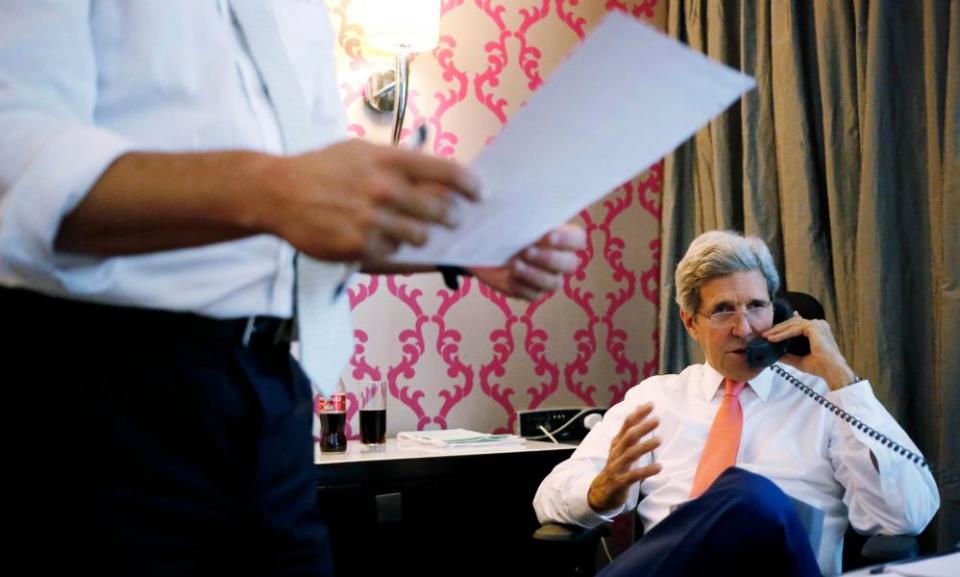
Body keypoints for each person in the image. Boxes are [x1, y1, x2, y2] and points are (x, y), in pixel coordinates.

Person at [0, 2, 585, 576]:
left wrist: (465, 243)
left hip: (273, 395)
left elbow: (307, 219)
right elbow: (17, 161)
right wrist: (274, 187)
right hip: (94, 392)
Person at [533, 230, 940, 576]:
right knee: (738, 494)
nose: (744, 329)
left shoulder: (828, 400)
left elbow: (908, 516)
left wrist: (840, 377)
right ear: (691, 322)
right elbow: (548, 497)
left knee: (749, 494)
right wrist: (598, 493)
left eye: (757, 307)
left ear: (777, 311)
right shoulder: (654, 399)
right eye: (723, 310)